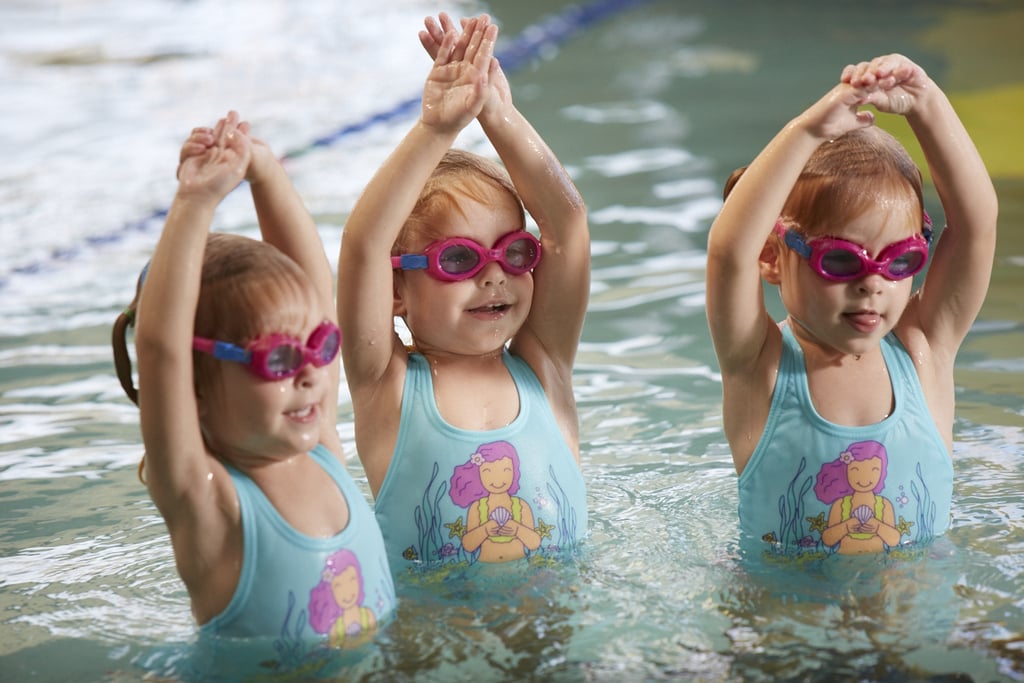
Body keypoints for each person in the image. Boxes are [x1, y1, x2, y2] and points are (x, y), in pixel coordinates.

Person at [111, 112, 395, 654]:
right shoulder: (207, 499)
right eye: (281, 358)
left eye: (322, 345)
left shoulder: (321, 448)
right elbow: (162, 350)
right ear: (194, 385)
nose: (313, 371)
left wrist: (265, 172)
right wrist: (195, 200)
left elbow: (314, 283)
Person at [705, 54, 997, 556]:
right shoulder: (760, 365)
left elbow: (976, 224)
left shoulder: (924, 347)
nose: (872, 283)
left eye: (900, 261)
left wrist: (925, 103)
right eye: (840, 262)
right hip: (786, 621)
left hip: (913, 616)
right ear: (772, 257)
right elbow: (729, 252)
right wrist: (805, 132)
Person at [337, 14, 589, 574]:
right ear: (396, 287)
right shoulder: (386, 384)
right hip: (430, 639)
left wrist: (498, 113)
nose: (495, 275)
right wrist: (434, 130)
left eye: (514, 252)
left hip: (552, 631)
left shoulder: (544, 366)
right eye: (459, 259)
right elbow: (363, 245)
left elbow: (566, 222)